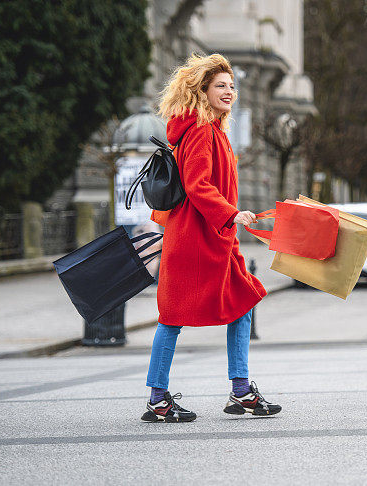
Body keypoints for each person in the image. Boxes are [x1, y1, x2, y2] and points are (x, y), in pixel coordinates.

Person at [141, 53, 282, 423]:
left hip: (213, 235)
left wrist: (229, 218)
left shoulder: (211, 129)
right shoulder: (202, 131)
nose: (229, 91)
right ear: (201, 91)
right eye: (221, 85)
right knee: (172, 316)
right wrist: (232, 213)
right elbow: (198, 185)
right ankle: (159, 398)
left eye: (232, 86)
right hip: (195, 237)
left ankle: (240, 390)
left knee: (242, 300)